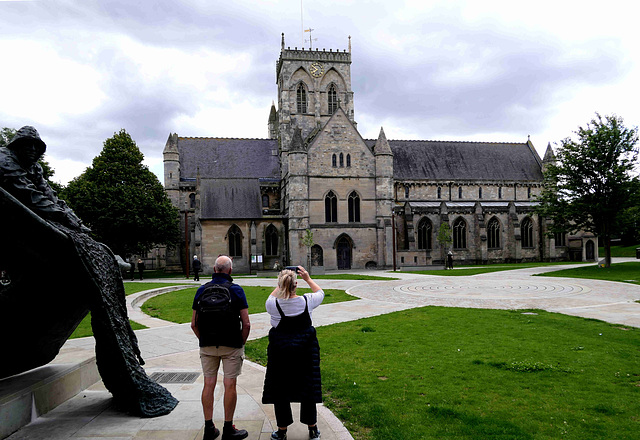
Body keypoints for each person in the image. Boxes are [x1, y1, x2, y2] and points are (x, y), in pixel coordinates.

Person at [0, 126, 178, 415]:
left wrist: (77, 224)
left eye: (37, 147)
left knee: (93, 250)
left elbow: (51, 198)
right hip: (14, 229)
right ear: (17, 145)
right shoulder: (5, 160)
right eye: (28, 146)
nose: (33, 152)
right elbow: (28, 196)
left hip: (34, 227)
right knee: (84, 253)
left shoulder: (33, 169)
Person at [191, 255, 251, 440]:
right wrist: (240, 342)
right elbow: (247, 324)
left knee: (208, 384)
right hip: (231, 344)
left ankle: (209, 428)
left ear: (215, 270)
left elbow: (194, 324)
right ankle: (228, 428)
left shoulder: (201, 290)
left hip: (208, 345)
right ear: (230, 271)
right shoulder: (236, 290)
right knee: (229, 384)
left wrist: (204, 339)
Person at [262, 266, 324, 440]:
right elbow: (320, 292)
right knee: (308, 388)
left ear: (280, 285)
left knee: (280, 389)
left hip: (281, 353)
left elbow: (273, 295)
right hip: (305, 353)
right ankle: (312, 429)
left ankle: (282, 431)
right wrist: (307, 278)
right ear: (296, 284)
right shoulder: (308, 301)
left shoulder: (272, 304)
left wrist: (283, 280)